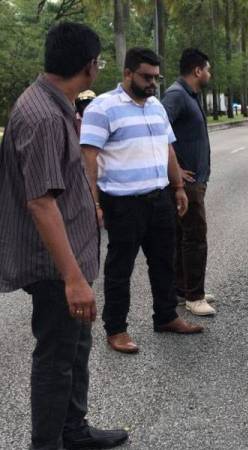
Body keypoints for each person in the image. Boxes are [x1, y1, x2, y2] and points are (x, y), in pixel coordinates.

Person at [0, 22, 128, 450]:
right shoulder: (43, 116)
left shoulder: (53, 105)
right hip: (55, 266)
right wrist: (73, 278)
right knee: (56, 358)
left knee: (75, 349)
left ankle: (72, 430)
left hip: (68, 257)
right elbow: (40, 202)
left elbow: (57, 184)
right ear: (90, 67)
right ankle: (47, 443)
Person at [80, 47, 204, 354]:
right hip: (123, 204)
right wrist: (93, 203)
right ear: (127, 73)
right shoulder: (102, 107)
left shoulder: (156, 107)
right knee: (120, 268)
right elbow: (89, 160)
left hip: (159, 197)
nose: (152, 83)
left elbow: (168, 149)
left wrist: (177, 187)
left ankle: (165, 316)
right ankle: (116, 329)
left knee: (163, 262)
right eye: (146, 77)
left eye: (156, 78)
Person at [161, 48, 216, 316]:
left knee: (184, 236)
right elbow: (156, 129)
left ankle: (183, 289)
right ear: (197, 71)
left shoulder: (189, 95)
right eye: (207, 69)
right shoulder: (176, 95)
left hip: (195, 182)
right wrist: (177, 171)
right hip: (186, 184)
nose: (209, 73)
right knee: (195, 238)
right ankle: (195, 297)